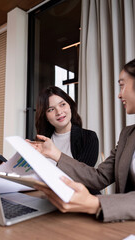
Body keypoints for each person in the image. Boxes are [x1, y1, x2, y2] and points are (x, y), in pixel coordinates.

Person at [33, 59, 135, 222]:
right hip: (122, 223)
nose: (119, 94)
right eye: (51, 109)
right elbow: (99, 178)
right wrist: (55, 154)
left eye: (122, 85)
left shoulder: (88, 137)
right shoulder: (127, 135)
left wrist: (96, 203)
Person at [35, 86, 99, 167]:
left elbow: (84, 175)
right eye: (51, 109)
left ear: (70, 106)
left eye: (62, 105)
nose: (59, 112)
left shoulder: (88, 138)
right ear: (45, 117)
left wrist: (56, 155)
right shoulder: (41, 142)